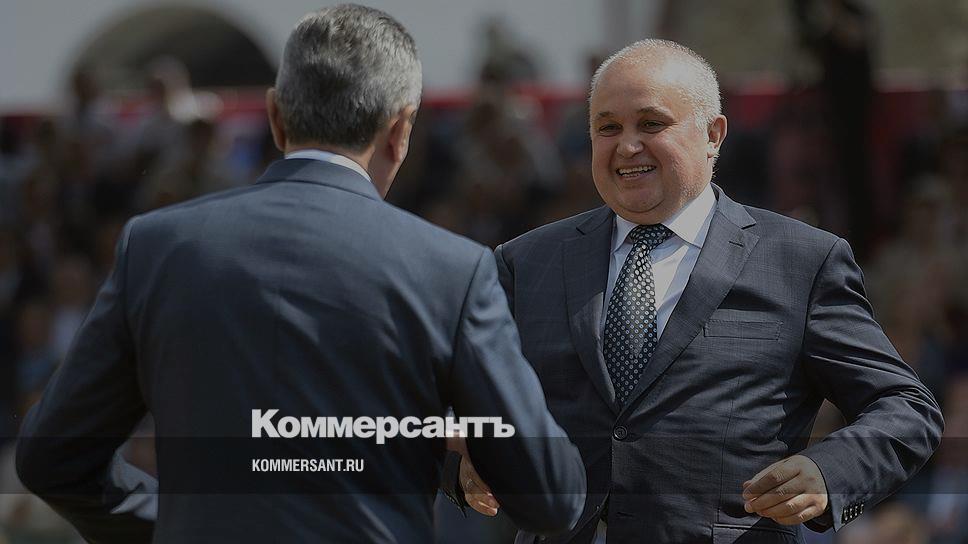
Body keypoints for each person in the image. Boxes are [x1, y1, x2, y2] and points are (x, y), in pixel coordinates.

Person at [15, 5, 586, 543]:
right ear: (400, 130)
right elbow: (552, 495)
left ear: (275, 116)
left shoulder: (156, 248)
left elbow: (53, 459)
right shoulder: (452, 270)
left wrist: (184, 523)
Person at [446, 39, 943, 544]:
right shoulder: (526, 262)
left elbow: (906, 407)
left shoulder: (801, 262)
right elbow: (439, 400)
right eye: (608, 128)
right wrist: (463, 461)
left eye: (651, 124)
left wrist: (829, 473)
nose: (628, 146)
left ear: (713, 134)